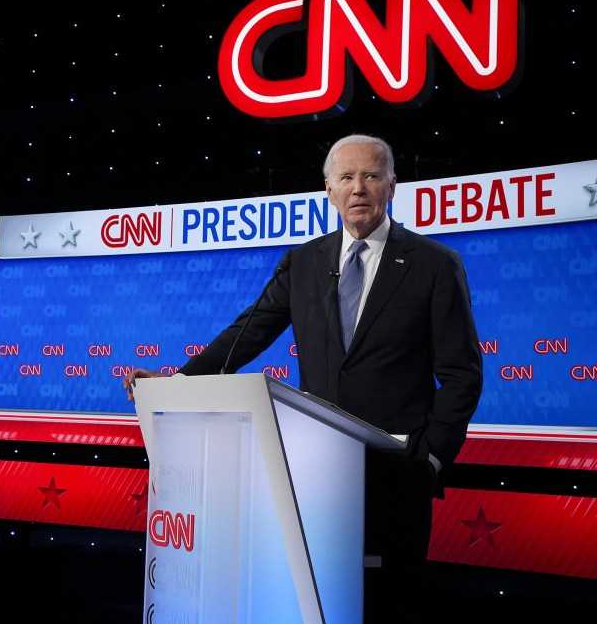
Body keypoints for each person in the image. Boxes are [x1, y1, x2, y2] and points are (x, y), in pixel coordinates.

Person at [123, 134, 483, 623]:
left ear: (392, 186)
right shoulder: (304, 261)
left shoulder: (435, 264)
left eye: (372, 176)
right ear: (329, 191)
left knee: (391, 603)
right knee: (318, 601)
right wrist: (179, 381)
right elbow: (247, 334)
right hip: (317, 471)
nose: (359, 188)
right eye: (347, 178)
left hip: (398, 472)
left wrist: (431, 459)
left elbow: (462, 374)